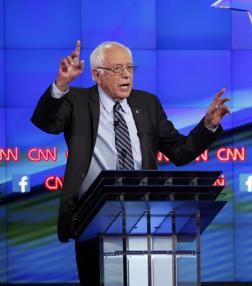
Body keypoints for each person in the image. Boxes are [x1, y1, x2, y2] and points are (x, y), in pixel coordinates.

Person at [31, 40, 230, 285]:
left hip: (146, 219)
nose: (126, 74)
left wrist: (208, 125)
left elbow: (180, 152)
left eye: (129, 68)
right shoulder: (77, 101)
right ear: (97, 75)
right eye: (117, 69)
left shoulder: (147, 104)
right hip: (94, 219)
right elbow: (46, 123)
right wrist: (62, 84)